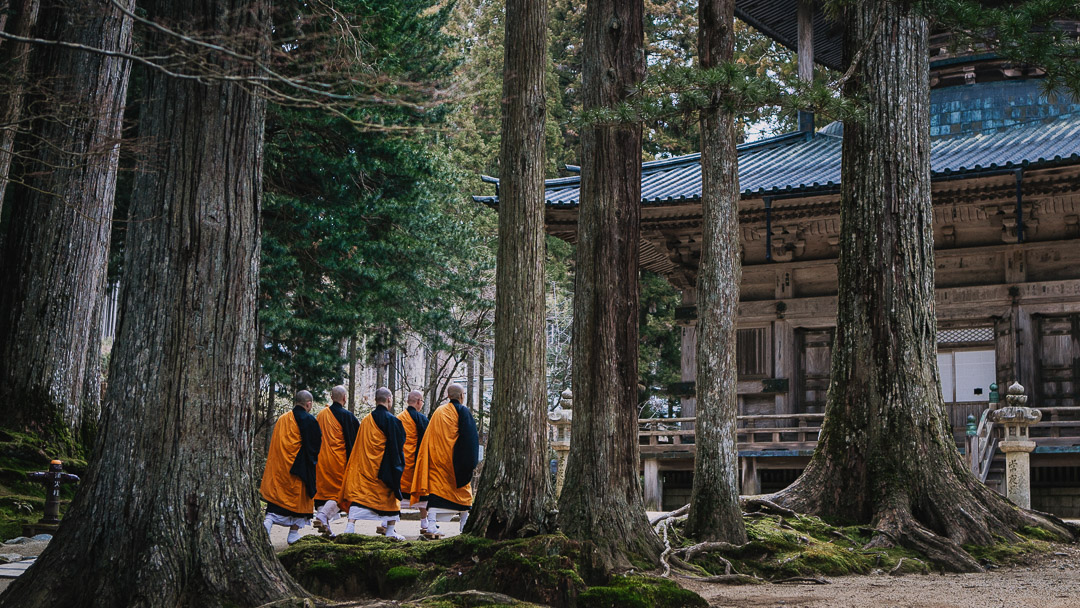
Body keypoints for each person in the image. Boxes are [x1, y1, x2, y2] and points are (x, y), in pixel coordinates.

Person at [340, 387, 407, 539]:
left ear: (376, 400)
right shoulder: (393, 420)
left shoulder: (366, 420)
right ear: (389, 399)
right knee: (391, 497)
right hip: (384, 470)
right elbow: (397, 447)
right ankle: (390, 530)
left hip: (366, 469)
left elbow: (359, 447)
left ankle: (350, 526)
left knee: (360, 498)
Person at [413, 383, 479, 533]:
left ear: (448, 396)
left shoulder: (439, 412)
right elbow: (470, 439)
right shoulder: (463, 411)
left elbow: (428, 438)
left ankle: (431, 524)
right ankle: (463, 524)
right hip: (456, 464)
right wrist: (470, 462)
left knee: (437, 492)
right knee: (463, 493)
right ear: (462, 396)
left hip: (438, 463)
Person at [260, 390, 322, 545]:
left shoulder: (282, 419)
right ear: (309, 404)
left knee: (277, 502)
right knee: (301, 502)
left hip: (280, 469)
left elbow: (275, 446)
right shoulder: (309, 420)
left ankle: (268, 522)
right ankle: (293, 533)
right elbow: (314, 447)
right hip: (298, 471)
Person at [313, 385, 360, 536]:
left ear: (331, 397)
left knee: (323, 494)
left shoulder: (321, 415)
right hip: (339, 463)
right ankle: (323, 516)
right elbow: (355, 441)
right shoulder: (348, 417)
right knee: (342, 494)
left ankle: (326, 528)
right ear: (345, 398)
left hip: (321, 461)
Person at [397, 390, 438, 538]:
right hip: (417, 464)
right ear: (419, 401)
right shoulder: (421, 419)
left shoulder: (399, 418)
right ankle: (424, 521)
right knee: (422, 492)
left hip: (402, 463)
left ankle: (388, 522)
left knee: (398, 494)